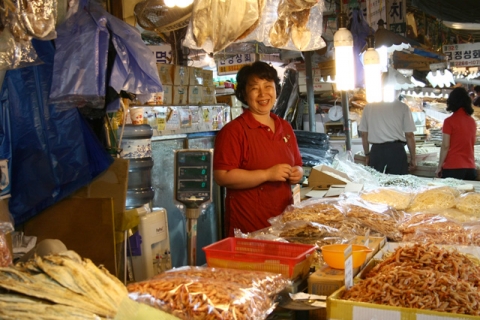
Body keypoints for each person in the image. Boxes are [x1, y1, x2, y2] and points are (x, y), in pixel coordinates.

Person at [213, 61, 303, 237]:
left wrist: (297, 173)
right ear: (244, 94)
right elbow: (222, 176)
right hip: (249, 228)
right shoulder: (234, 131)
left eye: (268, 86)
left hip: (283, 223)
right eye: (255, 88)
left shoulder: (284, 126)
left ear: (276, 90)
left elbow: (298, 164)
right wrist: (267, 174)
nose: (263, 94)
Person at [359, 95, 417, 175]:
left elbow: (364, 134)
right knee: (397, 183)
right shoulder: (402, 107)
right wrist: (413, 158)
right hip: (396, 152)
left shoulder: (368, 107)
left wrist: (367, 154)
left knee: (377, 183)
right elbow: (409, 135)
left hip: (377, 152)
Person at [435, 87, 477, 180]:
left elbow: (445, 146)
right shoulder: (472, 122)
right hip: (470, 168)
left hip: (453, 167)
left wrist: (439, 166)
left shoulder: (449, 121)